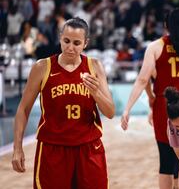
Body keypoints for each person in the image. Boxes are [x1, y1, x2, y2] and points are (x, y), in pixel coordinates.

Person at [12, 17, 115, 188]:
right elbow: (23, 109)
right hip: (53, 149)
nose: (70, 47)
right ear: (60, 38)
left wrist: (96, 93)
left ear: (85, 43)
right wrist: (17, 148)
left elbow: (110, 112)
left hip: (88, 148)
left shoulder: (94, 66)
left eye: (76, 43)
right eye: (66, 41)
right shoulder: (42, 67)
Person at [120, 8, 179, 189]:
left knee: (166, 161)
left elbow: (142, 79)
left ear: (166, 26)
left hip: (166, 107)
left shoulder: (156, 46)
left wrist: (127, 109)